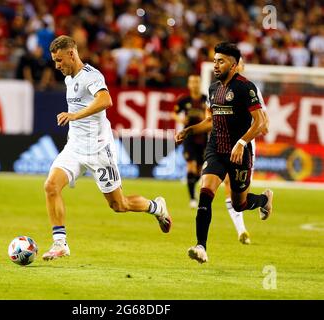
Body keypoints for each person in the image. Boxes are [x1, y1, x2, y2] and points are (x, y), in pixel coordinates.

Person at [42, 35, 172, 260]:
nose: (57, 66)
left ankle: (156, 207)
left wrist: (74, 115)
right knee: (51, 186)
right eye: (55, 61)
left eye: (59, 60)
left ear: (72, 54)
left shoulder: (92, 76)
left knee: (119, 205)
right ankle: (60, 243)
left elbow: (105, 101)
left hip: (99, 150)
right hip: (74, 147)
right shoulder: (68, 79)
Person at [175, 42, 272, 264]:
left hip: (239, 153)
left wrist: (241, 142)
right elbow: (210, 121)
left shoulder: (246, 88)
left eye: (221, 61)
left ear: (234, 64)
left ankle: (265, 199)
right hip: (216, 149)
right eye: (215, 60)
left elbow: (261, 122)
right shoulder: (213, 89)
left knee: (239, 203)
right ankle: (201, 246)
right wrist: (189, 130)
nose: (216, 65)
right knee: (206, 192)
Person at [224, 57, 270, 245]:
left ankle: (264, 199)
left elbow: (264, 122)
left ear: (240, 67)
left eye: (238, 63)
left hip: (244, 145)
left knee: (240, 196)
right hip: (223, 145)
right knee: (226, 182)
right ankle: (241, 230)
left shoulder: (251, 89)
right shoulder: (218, 88)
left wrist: (252, 132)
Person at [172, 74, 208, 208]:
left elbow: (212, 115)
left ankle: (191, 184)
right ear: (188, 84)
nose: (194, 84)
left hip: (203, 138)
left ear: (200, 83)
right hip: (189, 138)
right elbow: (174, 113)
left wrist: (203, 116)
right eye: (192, 82)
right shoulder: (184, 100)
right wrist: (180, 120)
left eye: (197, 82)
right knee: (191, 166)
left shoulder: (206, 99)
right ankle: (192, 198)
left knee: (199, 170)